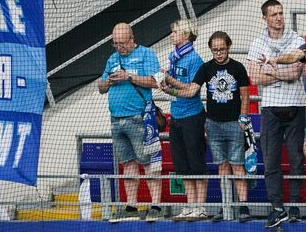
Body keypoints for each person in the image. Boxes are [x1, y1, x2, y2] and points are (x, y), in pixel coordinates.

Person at [163, 31, 252, 222]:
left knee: (238, 165)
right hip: (213, 124)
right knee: (222, 166)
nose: (218, 53)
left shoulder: (238, 68)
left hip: (234, 124)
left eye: (221, 49)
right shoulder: (206, 68)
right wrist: (168, 88)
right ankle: (225, 205)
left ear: (229, 47)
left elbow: (246, 95)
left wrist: (243, 118)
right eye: (215, 50)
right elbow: (191, 91)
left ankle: (243, 206)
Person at [246, 0, 305, 228]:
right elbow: (255, 77)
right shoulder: (258, 43)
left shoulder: (297, 39)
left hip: (297, 108)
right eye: (273, 14)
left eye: (280, 13)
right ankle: (277, 208)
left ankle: (294, 206)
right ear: (265, 18)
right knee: (271, 162)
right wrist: (283, 73)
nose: (279, 18)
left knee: (297, 160)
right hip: (270, 110)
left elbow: (295, 71)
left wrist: (272, 70)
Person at [98, 23, 163, 222]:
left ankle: (156, 206)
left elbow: (156, 82)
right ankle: (131, 206)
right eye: (115, 44)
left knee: (148, 162)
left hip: (139, 118)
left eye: (123, 43)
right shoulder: (112, 59)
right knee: (127, 163)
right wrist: (109, 81)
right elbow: (100, 88)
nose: (119, 48)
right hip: (116, 120)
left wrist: (129, 76)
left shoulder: (146, 55)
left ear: (132, 38)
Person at [159, 19, 208, 221]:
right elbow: (176, 91)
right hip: (176, 116)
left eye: (175, 32)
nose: (171, 35)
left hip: (193, 116)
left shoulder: (195, 60)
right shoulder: (173, 57)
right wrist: (166, 88)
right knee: (182, 164)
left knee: (196, 162)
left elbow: (190, 91)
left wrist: (170, 81)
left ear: (186, 35)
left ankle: (201, 206)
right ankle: (189, 205)